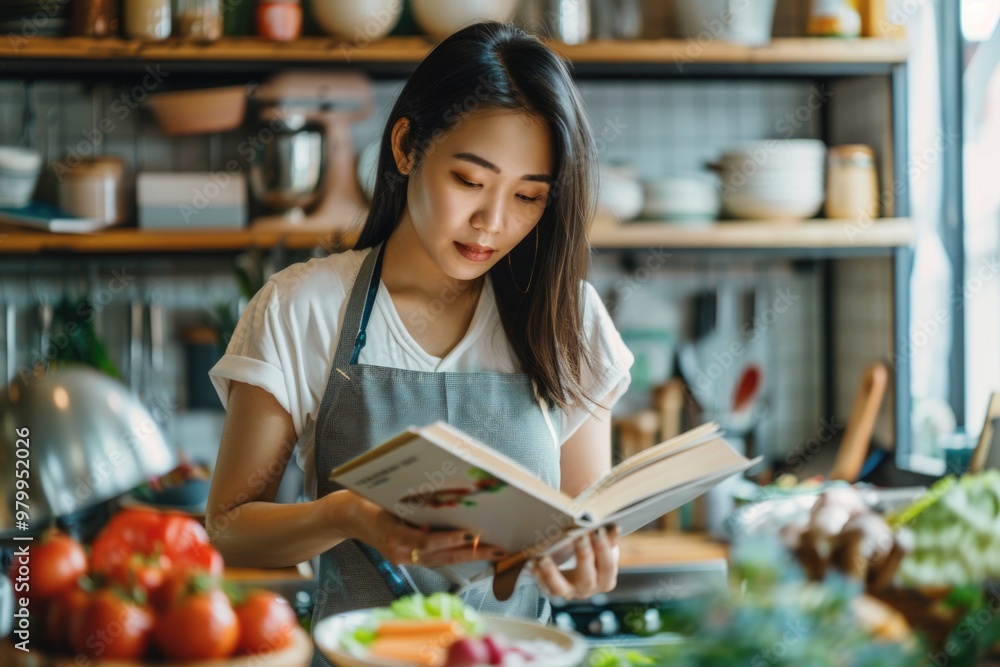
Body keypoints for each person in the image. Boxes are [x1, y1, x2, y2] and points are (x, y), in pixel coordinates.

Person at [206, 20, 634, 660]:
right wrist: (346, 515)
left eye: (528, 197)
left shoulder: (568, 317)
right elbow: (230, 529)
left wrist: (583, 564)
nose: (492, 222)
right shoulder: (303, 307)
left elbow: (577, 531)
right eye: (469, 180)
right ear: (407, 147)